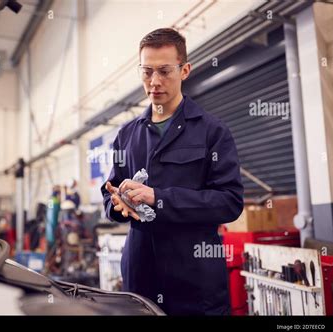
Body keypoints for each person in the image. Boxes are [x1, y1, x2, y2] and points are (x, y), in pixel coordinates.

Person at [101, 28, 243, 315]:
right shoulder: (126, 135)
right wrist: (118, 205)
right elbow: (110, 193)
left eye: (165, 71)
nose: (154, 82)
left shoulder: (212, 131)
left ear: (185, 70)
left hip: (195, 280)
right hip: (140, 277)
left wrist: (159, 198)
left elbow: (229, 202)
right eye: (147, 71)